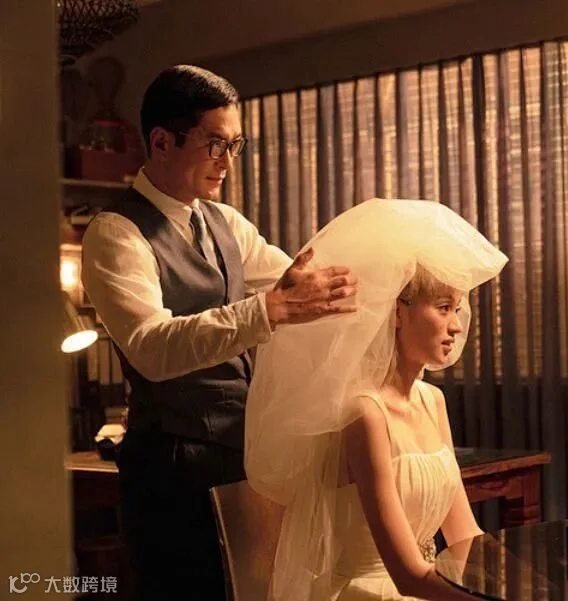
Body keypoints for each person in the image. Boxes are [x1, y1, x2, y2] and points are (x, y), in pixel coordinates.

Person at [80, 64, 358, 601]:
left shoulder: (225, 222)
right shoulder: (115, 233)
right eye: (215, 144)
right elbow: (151, 347)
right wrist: (267, 311)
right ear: (162, 142)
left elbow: (296, 282)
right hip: (171, 467)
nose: (227, 162)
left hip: (242, 456)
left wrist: (380, 282)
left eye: (235, 145)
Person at [245, 198, 508, 600]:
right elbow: (406, 576)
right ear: (397, 312)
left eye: (457, 309)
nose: (456, 326)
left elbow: (463, 534)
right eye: (443, 308)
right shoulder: (365, 414)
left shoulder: (433, 401)